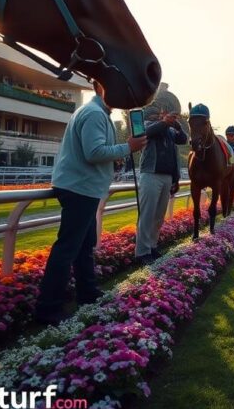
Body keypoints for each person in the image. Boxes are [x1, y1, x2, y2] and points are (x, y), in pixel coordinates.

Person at [34, 82, 146, 325]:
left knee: (84, 246)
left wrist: (115, 157)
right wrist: (128, 147)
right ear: (98, 87)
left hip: (81, 186)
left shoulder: (95, 112)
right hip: (80, 187)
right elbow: (93, 153)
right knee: (68, 247)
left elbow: (97, 152)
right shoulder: (94, 114)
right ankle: (48, 308)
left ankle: (88, 292)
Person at [135, 106, 187, 265]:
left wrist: (178, 126)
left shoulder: (169, 130)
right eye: (160, 114)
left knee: (158, 216)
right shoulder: (147, 125)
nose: (162, 116)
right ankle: (142, 252)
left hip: (166, 177)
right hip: (150, 174)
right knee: (147, 214)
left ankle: (152, 246)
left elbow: (183, 139)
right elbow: (148, 133)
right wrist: (165, 122)